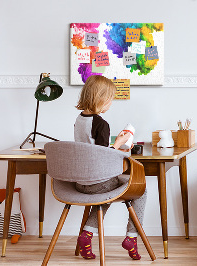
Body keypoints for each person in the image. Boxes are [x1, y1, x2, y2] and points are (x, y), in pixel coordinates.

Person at [74, 75, 147, 260]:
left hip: (80, 182)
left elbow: (92, 149)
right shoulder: (101, 124)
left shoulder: (79, 120)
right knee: (140, 189)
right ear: (101, 99)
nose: (110, 103)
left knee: (105, 194)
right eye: (110, 99)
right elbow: (103, 156)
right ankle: (132, 237)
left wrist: (117, 145)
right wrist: (120, 143)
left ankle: (87, 235)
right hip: (97, 182)